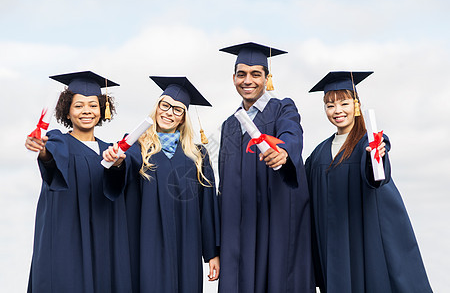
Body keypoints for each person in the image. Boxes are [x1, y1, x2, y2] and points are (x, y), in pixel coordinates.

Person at [306, 71, 432, 292]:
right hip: (332, 245)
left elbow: (376, 176)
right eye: (330, 105)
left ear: (356, 105)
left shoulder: (369, 142)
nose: (337, 111)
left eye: (344, 103)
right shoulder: (318, 154)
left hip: (364, 238)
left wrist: (378, 155)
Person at [102, 76, 220, 293]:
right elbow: (120, 178)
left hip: (187, 245)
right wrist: (118, 162)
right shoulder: (136, 147)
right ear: (156, 108)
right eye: (165, 105)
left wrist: (212, 252)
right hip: (147, 244)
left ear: (183, 118)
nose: (169, 112)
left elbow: (207, 207)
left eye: (177, 110)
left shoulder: (197, 155)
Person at [218, 42, 314, 292]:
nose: (247, 80)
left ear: (267, 78)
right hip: (239, 227)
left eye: (255, 74)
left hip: (273, 222)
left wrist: (283, 152)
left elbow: (292, 133)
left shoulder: (282, 108)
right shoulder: (229, 125)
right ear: (234, 78)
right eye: (241, 74)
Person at [25, 71, 132, 292]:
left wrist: (119, 164)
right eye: (79, 105)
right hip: (66, 241)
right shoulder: (58, 141)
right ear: (67, 110)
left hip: (102, 242)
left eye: (93, 105)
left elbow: (116, 186)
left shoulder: (110, 150)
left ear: (102, 109)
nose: (86, 111)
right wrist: (42, 150)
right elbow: (51, 161)